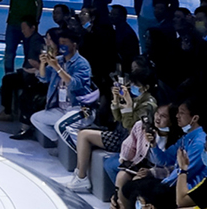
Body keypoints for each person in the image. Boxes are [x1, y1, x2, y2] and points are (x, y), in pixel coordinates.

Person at [65, 60, 156, 193]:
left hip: (131, 141)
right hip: (122, 135)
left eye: (136, 85)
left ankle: (82, 177)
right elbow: (117, 118)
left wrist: (128, 107)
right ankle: (79, 173)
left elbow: (131, 127)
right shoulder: (136, 99)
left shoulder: (148, 105)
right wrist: (116, 100)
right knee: (82, 133)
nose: (132, 87)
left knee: (84, 136)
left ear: (146, 87)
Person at [16, 28, 94, 142]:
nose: (62, 46)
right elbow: (43, 78)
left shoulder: (82, 64)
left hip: (79, 109)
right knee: (36, 118)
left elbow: (74, 84)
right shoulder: (58, 60)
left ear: (74, 45)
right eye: (60, 42)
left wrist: (57, 67)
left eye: (64, 43)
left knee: (60, 125)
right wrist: (42, 64)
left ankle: (80, 149)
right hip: (61, 109)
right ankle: (59, 141)